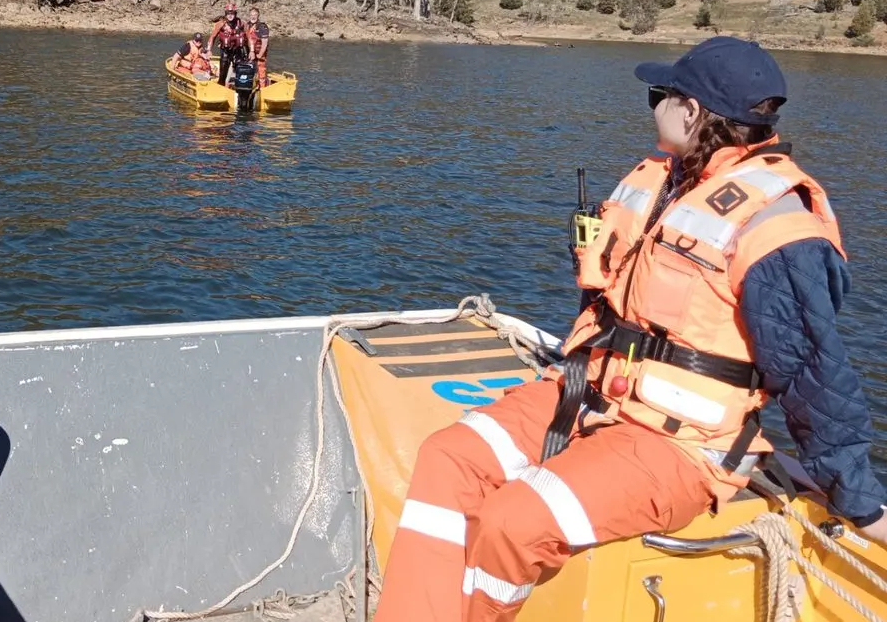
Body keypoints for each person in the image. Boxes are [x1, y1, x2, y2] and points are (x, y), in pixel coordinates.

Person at [374, 36, 887, 622]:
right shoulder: (665, 180)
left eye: (658, 95)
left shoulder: (775, 229)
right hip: (591, 392)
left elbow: (814, 371)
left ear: (692, 112)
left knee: (516, 520)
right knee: (449, 458)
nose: (651, 106)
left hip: (682, 444)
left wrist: (860, 501)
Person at [207, 0, 250, 86]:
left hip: (238, 51)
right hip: (226, 51)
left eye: (232, 13)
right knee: (223, 73)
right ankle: (221, 86)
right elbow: (212, 37)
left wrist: (251, 51)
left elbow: (249, 38)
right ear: (225, 14)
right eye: (228, 13)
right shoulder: (220, 24)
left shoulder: (242, 23)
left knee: (240, 71)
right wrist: (209, 50)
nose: (230, 15)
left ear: (235, 13)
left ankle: (240, 88)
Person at [245, 7, 271, 87]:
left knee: (261, 69)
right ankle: (249, 85)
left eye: (255, 15)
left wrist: (260, 54)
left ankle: (262, 88)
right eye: (251, 15)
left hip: (260, 52)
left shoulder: (262, 27)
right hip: (250, 52)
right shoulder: (247, 25)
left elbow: (265, 43)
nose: (253, 17)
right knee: (248, 68)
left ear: (258, 15)